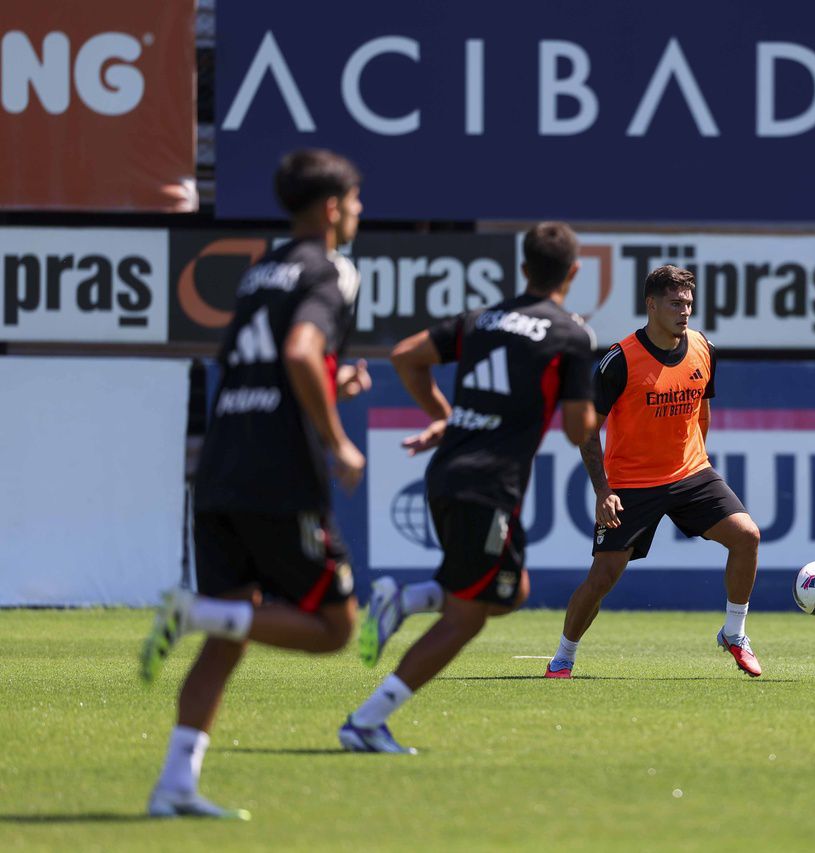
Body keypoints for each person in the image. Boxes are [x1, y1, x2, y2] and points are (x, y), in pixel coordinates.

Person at [138, 149, 370, 819]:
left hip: (221, 465)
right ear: (332, 208)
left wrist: (331, 382)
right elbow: (298, 351)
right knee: (335, 628)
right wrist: (338, 440)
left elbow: (269, 361)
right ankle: (191, 611)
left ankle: (175, 783)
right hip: (279, 473)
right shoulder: (331, 269)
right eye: (355, 200)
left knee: (231, 629)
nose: (359, 211)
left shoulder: (259, 270)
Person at [339, 221, 596, 753]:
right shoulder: (570, 335)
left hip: (447, 473)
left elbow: (405, 355)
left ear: (523, 268)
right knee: (467, 617)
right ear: (573, 272)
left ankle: (403, 599)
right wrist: (592, 401)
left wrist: (445, 415)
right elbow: (578, 430)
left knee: (510, 592)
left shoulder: (481, 319)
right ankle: (366, 721)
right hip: (489, 484)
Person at [545, 264, 763, 679]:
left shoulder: (703, 348)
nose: (685, 311)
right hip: (631, 484)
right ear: (651, 305)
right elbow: (587, 430)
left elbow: (702, 408)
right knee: (603, 577)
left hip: (691, 473)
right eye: (676, 303)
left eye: (689, 303)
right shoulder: (620, 360)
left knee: (747, 536)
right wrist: (603, 490)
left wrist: (699, 460)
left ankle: (734, 633)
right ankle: (563, 657)